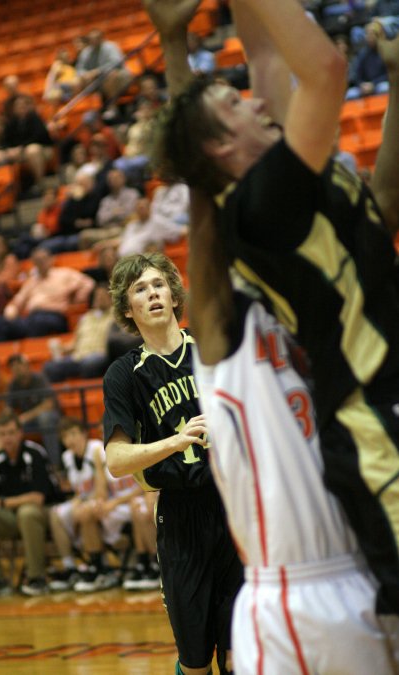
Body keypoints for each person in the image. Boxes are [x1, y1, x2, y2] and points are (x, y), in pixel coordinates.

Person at [148, 0, 399, 616]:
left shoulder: (310, 187)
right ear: (220, 144)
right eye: (236, 105)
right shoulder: (262, 205)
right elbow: (324, 68)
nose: (257, 100)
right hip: (374, 426)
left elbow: (386, 199)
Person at [103, 252, 243, 675]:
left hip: (233, 507)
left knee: (242, 655)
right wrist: (175, 441)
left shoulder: (212, 353)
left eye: (159, 285)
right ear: (129, 309)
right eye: (140, 289)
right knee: (196, 662)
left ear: (174, 293)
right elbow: (116, 460)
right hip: (180, 519)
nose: (153, 294)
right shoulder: (124, 374)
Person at [0, 410, 60, 598]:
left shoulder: (34, 453)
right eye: (2, 434)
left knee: (27, 512)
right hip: (13, 515)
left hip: (47, 512)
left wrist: (1, 502)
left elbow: (38, 498)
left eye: (11, 432)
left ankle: (37, 578)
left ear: (20, 433)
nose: (7, 438)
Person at [48, 416, 140, 593]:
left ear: (84, 434)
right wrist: (79, 501)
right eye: (66, 436)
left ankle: (99, 565)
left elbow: (101, 489)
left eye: (74, 434)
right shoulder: (67, 458)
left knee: (86, 512)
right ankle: (72, 565)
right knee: (56, 513)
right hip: (99, 501)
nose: (71, 439)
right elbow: (79, 491)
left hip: (111, 499)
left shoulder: (97, 449)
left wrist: (91, 501)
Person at [0, 246, 95, 342]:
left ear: (51, 259)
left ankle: (31, 351)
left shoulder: (64, 274)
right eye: (37, 261)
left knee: (39, 322)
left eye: (43, 259)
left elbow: (89, 284)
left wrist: (75, 299)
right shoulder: (31, 281)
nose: (40, 263)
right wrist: (10, 311)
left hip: (54, 316)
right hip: (31, 318)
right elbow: (17, 302)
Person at [43, 283, 114, 383]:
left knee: (90, 364)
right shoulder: (86, 318)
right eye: (97, 295)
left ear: (111, 298)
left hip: (99, 355)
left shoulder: (116, 316)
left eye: (102, 295)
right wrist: (62, 348)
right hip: (78, 357)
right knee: (50, 367)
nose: (99, 298)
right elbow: (75, 343)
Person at [7, 354, 61, 467]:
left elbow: (49, 405)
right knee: (8, 427)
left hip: (53, 418)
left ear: (27, 366)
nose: (16, 368)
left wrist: (25, 417)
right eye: (13, 366)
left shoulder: (39, 379)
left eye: (19, 364)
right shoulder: (13, 385)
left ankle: (55, 465)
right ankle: (16, 466)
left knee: (45, 419)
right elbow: (8, 409)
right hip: (28, 422)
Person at [75, 29, 131, 111]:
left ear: (101, 38)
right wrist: (85, 75)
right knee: (77, 81)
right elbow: (79, 69)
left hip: (119, 75)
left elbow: (117, 63)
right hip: (97, 80)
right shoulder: (86, 52)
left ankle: (113, 106)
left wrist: (98, 71)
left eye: (96, 38)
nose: (94, 41)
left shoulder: (111, 46)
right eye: (91, 39)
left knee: (111, 75)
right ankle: (83, 109)